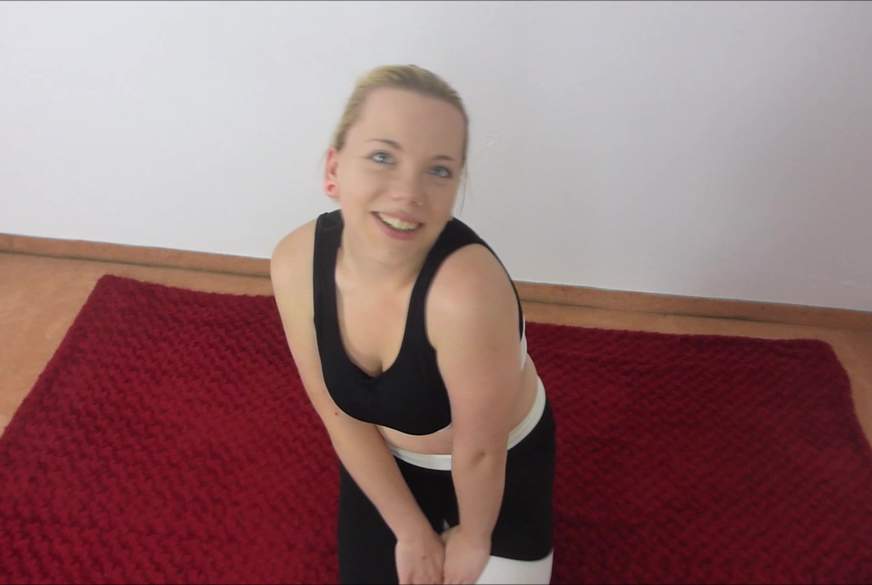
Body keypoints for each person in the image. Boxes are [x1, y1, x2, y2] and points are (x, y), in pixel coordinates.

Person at [270, 64, 556, 585]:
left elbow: (481, 452)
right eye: (383, 157)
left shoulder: (467, 293)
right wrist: (410, 530)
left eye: (439, 171)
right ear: (334, 170)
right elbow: (338, 413)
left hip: (498, 466)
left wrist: (474, 538)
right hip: (392, 462)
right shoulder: (294, 263)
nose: (409, 192)